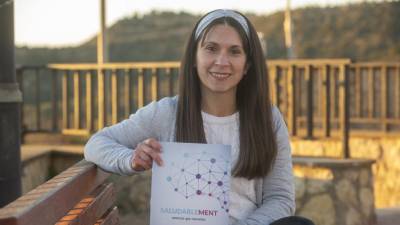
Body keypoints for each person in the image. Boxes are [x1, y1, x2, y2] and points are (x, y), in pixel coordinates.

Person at [84, 9, 314, 225]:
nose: (222, 61)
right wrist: (131, 159)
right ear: (194, 58)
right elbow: (96, 144)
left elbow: (280, 198)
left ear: (247, 65)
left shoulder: (268, 118)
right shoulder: (166, 112)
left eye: (234, 51)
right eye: (211, 48)